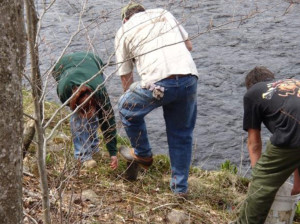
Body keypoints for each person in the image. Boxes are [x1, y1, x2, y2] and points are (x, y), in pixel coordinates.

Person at [114, 3, 198, 195]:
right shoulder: (163, 13)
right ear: (143, 12)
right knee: (181, 135)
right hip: (188, 78)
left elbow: (126, 78)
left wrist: (135, 103)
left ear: (125, 19)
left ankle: (142, 153)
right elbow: (189, 46)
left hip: (159, 83)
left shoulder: (124, 30)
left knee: (126, 107)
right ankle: (180, 190)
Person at [234, 66, 300, 223]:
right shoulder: (292, 82)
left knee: (262, 183)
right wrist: (297, 187)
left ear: (250, 85)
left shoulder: (253, 93)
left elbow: (254, 143)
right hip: (296, 130)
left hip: (295, 128)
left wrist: (258, 177)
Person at [52, 52, 118, 169]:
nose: (88, 115)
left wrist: (113, 153)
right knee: (77, 120)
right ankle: (82, 156)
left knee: (97, 115)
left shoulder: (100, 92)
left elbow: (108, 120)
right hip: (63, 65)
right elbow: (76, 111)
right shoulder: (63, 90)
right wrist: (81, 113)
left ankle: (93, 148)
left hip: (93, 61)